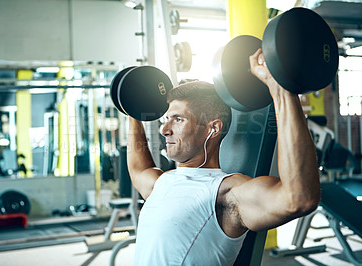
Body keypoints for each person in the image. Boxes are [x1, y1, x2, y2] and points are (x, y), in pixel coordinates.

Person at [127, 49, 321, 265]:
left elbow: (299, 199)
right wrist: (134, 111)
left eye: (178, 119)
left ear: (214, 128)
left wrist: (282, 90)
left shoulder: (226, 193)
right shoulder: (163, 182)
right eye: (166, 119)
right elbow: (138, 171)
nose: (164, 129)